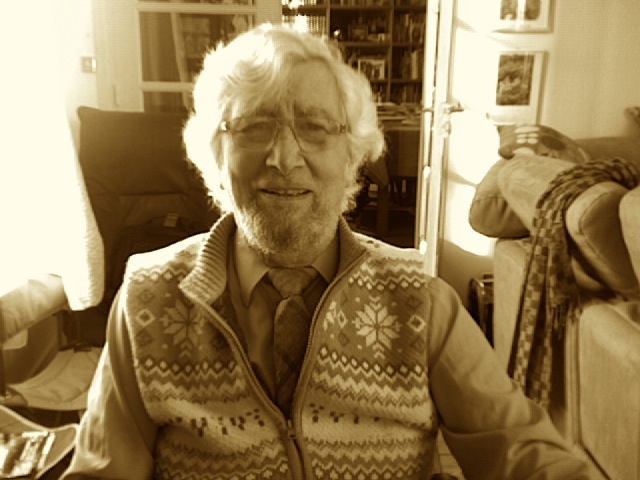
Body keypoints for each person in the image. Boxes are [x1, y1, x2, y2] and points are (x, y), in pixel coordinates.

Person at [62, 24, 597, 480]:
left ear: (352, 156)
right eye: (253, 127)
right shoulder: (146, 299)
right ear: (216, 154)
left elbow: (523, 451)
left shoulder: (421, 303)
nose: (284, 157)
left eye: (315, 128)